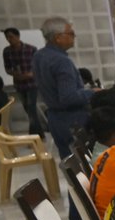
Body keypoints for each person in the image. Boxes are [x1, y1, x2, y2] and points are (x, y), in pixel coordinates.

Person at [33, 16, 93, 159]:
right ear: (58, 37)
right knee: (83, 165)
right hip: (72, 119)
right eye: (71, 34)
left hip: (54, 118)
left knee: (71, 164)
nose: (74, 37)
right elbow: (68, 97)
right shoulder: (61, 61)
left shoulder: (39, 55)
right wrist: (93, 93)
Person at [1, 27, 42, 135]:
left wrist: (30, 74)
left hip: (32, 83)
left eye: (11, 37)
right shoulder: (7, 51)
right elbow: (7, 68)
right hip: (19, 84)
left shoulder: (31, 49)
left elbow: (39, 66)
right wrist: (15, 74)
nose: (9, 39)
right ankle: (40, 133)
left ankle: (33, 134)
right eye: (7, 37)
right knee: (28, 110)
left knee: (31, 108)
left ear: (18, 36)